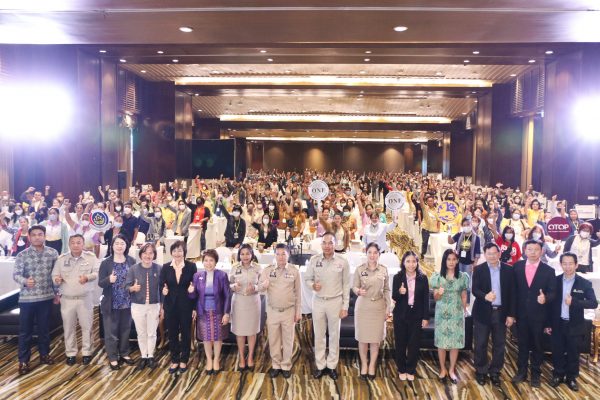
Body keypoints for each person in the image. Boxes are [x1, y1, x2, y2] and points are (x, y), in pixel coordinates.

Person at [545, 252, 598, 392]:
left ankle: (571, 377)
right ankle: (558, 375)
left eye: (570, 264)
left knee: (573, 352)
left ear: (576, 265)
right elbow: (549, 305)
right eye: (564, 263)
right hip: (557, 323)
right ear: (560, 264)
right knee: (557, 351)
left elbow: (593, 303)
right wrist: (547, 324)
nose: (567, 267)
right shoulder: (555, 281)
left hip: (574, 324)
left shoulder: (584, 283)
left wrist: (574, 301)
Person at [12, 225, 59, 375]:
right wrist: (25, 281)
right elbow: (16, 275)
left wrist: (57, 293)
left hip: (46, 297)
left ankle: (44, 355)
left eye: (40, 234)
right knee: (25, 331)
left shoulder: (53, 253)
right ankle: (23, 361)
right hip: (27, 299)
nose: (37, 237)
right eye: (34, 235)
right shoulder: (22, 255)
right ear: (29, 237)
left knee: (44, 329)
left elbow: (56, 276)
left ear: (44, 236)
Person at [305, 231, 350, 380]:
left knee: (334, 336)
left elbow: (346, 285)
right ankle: (320, 365)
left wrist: (345, 306)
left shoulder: (342, 261)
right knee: (319, 335)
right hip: (318, 301)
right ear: (321, 244)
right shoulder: (314, 260)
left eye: (330, 243)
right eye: (324, 243)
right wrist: (312, 285)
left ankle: (331, 366)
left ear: (335, 245)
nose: (327, 246)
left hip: (335, 302)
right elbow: (307, 279)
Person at [512, 240, 556, 388]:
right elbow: (512, 291)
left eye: (536, 249)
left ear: (541, 251)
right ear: (525, 251)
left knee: (538, 345)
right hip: (521, 315)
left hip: (539, 315)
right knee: (522, 345)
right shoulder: (517, 267)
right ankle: (521, 372)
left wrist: (546, 298)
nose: (532, 252)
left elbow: (553, 293)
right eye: (529, 249)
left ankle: (536, 375)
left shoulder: (548, 270)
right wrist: (512, 313)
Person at [471, 243, 515, 386]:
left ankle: (495, 371)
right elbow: (475, 290)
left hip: (501, 313)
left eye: (494, 253)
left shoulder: (509, 270)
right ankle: (481, 370)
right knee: (480, 343)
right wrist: (485, 296)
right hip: (482, 312)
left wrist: (511, 315)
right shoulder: (479, 269)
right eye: (489, 253)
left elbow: (512, 294)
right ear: (485, 254)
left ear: (499, 254)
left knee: (499, 344)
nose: (492, 256)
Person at [52, 234, 98, 366]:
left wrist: (87, 277)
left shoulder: (91, 257)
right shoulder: (62, 259)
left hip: (85, 299)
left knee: (87, 327)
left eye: (79, 242)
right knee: (68, 328)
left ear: (83, 244)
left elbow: (96, 273)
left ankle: (87, 352)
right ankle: (71, 353)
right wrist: (56, 280)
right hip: (67, 299)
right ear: (69, 244)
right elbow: (54, 275)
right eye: (73, 242)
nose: (76, 245)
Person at [258, 243, 302, 379]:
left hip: (289, 311)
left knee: (288, 340)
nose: (281, 257)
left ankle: (286, 365)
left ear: (288, 255)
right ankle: (276, 365)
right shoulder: (268, 270)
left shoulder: (294, 271)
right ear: (275, 255)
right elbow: (259, 288)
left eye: (283, 254)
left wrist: (298, 312)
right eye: (278, 254)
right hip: (273, 311)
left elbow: (298, 293)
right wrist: (263, 285)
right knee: (274, 339)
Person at [188, 249, 231, 375]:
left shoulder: (222, 275)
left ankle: (216, 359)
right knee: (206, 337)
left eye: (211, 260)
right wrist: (190, 291)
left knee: (218, 337)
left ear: (216, 262)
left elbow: (227, 295)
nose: (208, 263)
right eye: (206, 260)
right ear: (203, 262)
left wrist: (226, 313)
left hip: (218, 311)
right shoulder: (197, 276)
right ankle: (209, 360)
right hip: (203, 311)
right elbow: (193, 297)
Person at [352, 242, 391, 380]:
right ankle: (364, 364)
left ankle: (372, 365)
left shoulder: (384, 270)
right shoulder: (360, 269)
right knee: (362, 339)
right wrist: (358, 291)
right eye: (370, 252)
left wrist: (388, 308)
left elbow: (387, 290)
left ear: (379, 254)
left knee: (375, 340)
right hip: (363, 307)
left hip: (378, 308)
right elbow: (354, 286)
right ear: (366, 253)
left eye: (375, 253)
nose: (372, 255)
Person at [98, 234, 137, 370]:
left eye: (122, 243)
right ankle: (113, 357)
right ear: (112, 246)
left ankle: (124, 353)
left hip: (127, 302)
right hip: (111, 302)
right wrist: (109, 280)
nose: (119, 246)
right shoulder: (106, 262)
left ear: (126, 246)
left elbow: (135, 279)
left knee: (125, 330)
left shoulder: (131, 261)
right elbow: (100, 283)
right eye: (117, 243)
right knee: (111, 332)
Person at [430, 249, 469, 384]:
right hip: (442, 313)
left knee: (455, 344)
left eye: (454, 259)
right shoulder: (438, 277)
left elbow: (464, 296)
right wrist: (438, 293)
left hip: (457, 314)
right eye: (448, 259)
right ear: (444, 261)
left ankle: (452, 370)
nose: (451, 262)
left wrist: (464, 310)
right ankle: (442, 369)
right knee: (441, 343)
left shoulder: (463, 277)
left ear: (457, 261)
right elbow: (435, 298)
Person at [392, 250, 429, 381]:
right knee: (400, 343)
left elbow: (426, 299)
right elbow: (394, 296)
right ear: (403, 262)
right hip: (400, 314)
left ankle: (411, 369)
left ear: (417, 263)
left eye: (414, 261)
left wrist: (425, 317)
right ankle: (401, 369)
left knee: (414, 344)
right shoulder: (398, 277)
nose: (411, 264)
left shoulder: (423, 278)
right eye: (408, 261)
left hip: (416, 315)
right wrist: (399, 292)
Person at [160, 240, 196, 374]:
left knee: (186, 333)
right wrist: (163, 291)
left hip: (186, 305)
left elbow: (195, 286)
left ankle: (184, 360)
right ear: (171, 253)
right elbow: (161, 284)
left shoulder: (191, 266)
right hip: (170, 306)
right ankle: (175, 359)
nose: (177, 253)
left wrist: (194, 305)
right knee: (172, 333)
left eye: (180, 250)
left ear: (184, 252)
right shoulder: (165, 267)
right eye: (174, 251)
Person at [126, 243, 162, 370]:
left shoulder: (159, 269)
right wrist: (132, 288)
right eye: (145, 253)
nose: (148, 256)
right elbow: (126, 286)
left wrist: (162, 307)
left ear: (154, 255)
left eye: (151, 253)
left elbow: (163, 288)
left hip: (154, 305)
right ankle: (143, 356)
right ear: (141, 255)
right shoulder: (133, 269)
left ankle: (150, 356)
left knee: (152, 333)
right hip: (137, 305)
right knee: (141, 333)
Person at [229, 244, 262, 371]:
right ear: (239, 255)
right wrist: (234, 286)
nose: (245, 256)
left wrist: (255, 287)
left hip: (253, 302)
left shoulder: (258, 268)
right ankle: (242, 357)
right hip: (239, 301)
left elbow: (263, 285)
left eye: (248, 253)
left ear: (252, 254)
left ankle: (250, 357)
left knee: (252, 331)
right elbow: (228, 284)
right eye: (242, 254)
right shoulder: (234, 267)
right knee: (240, 332)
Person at [448, 217, 481, 301]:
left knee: (467, 283)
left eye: (468, 224)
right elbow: (450, 242)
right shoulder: (459, 235)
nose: (466, 226)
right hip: (458, 262)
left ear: (471, 224)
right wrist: (449, 233)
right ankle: (457, 299)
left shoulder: (476, 237)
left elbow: (477, 253)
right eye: (464, 225)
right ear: (462, 226)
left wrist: (474, 264)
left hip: (469, 263)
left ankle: (466, 302)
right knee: (457, 280)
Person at [418, 194, 440, 259]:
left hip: (434, 230)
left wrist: (438, 229)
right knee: (425, 242)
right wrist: (422, 194)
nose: (430, 202)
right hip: (426, 229)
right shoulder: (425, 208)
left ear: (433, 201)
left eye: (431, 201)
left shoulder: (437, 210)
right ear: (426, 202)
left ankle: (434, 257)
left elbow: (438, 221)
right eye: (429, 201)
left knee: (434, 244)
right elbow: (421, 201)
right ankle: (423, 255)